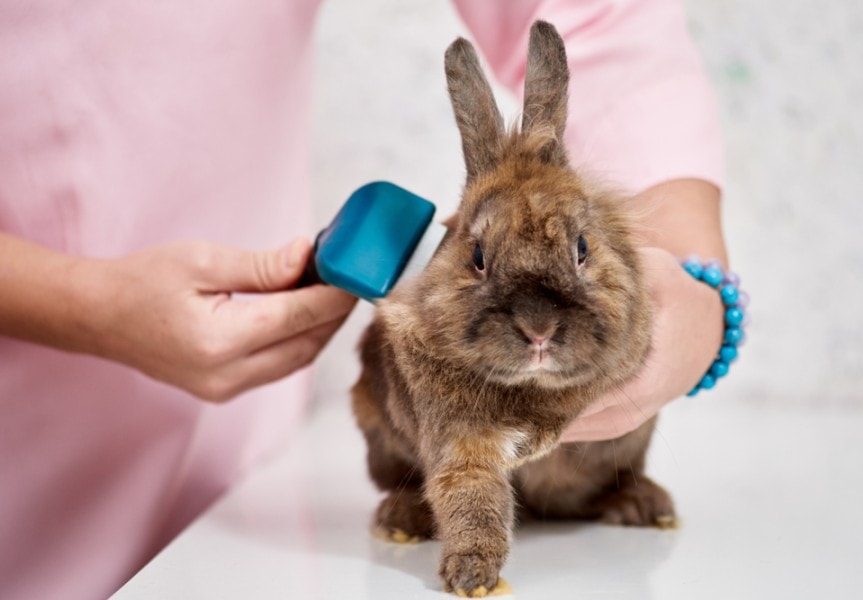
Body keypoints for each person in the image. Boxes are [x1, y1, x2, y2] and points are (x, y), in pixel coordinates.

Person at [0, 1, 727, 598]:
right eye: (477, 259)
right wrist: (85, 302)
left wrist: (702, 294)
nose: (537, 323)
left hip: (243, 461)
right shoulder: (424, 333)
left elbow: (601, 17)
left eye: (577, 254)